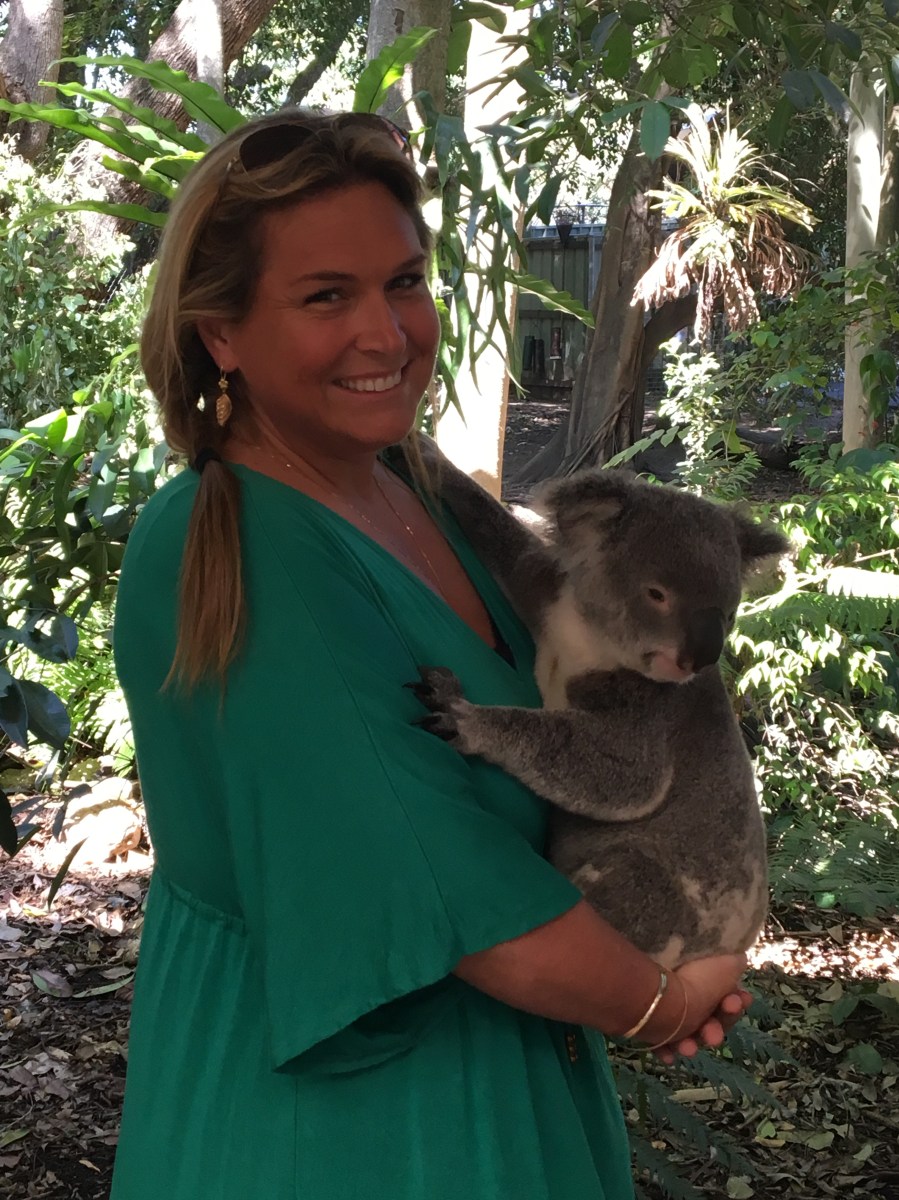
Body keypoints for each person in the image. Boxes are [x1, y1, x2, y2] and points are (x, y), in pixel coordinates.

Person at [111, 109, 752, 1200]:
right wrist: (665, 1002)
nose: (387, 333)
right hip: (351, 1125)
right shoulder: (249, 548)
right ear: (221, 333)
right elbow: (452, 895)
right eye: (326, 296)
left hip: (506, 1066)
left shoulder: (410, 488)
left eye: (404, 282)